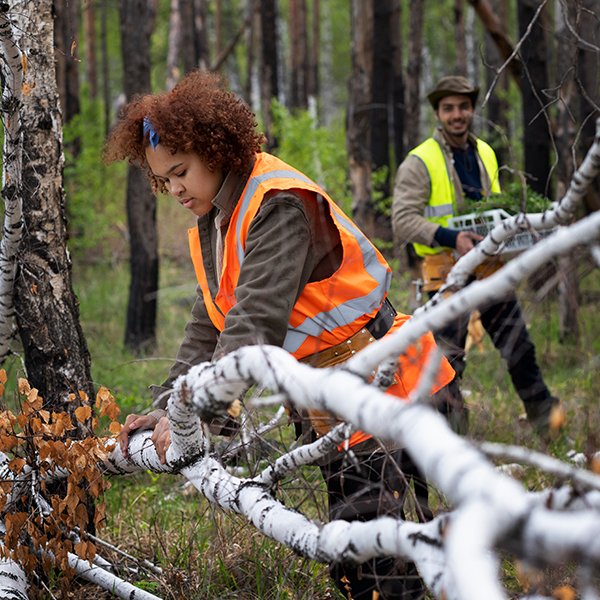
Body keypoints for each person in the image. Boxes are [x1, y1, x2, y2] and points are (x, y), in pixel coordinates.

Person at [104, 70, 456, 600]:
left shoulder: (277, 203)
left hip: (388, 384)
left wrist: (198, 412)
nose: (173, 189)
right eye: (162, 180)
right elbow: (211, 321)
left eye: (180, 172)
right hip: (336, 399)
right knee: (362, 562)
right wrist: (168, 405)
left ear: (214, 149)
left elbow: (256, 320)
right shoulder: (216, 217)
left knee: (376, 569)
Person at [392, 75, 559, 437]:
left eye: (463, 107)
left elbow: (494, 209)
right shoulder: (420, 161)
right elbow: (403, 220)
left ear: (472, 110)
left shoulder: (485, 152)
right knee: (447, 361)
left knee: (518, 346)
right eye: (449, 108)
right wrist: (452, 238)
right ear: (438, 113)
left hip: (488, 267)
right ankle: (451, 439)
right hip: (445, 272)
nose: (457, 115)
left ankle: (548, 424)